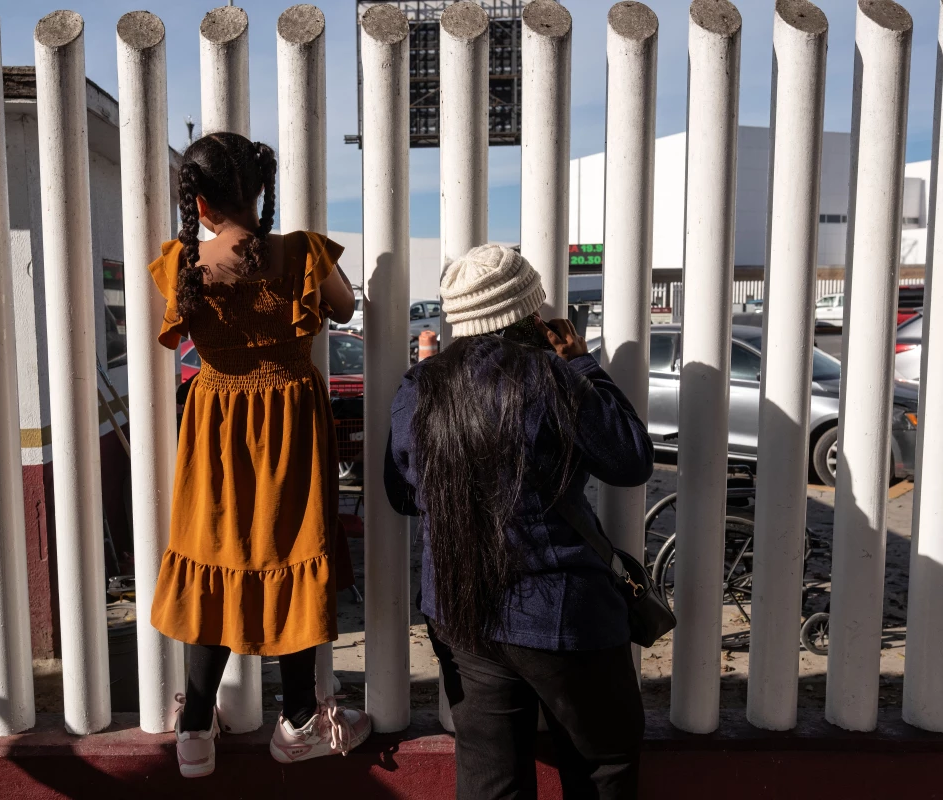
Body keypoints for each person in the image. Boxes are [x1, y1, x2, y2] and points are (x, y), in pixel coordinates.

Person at [384, 244, 654, 799]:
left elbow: (403, 496)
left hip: (463, 616)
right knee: (603, 769)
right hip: (562, 617)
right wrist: (582, 362)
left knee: (490, 780)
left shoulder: (420, 388)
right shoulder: (554, 379)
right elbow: (631, 461)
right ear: (532, 313)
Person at [147, 132, 370, 778]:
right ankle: (298, 719)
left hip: (215, 432)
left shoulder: (181, 265)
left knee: (216, 557)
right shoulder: (300, 254)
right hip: (292, 430)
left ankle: (194, 731)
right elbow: (346, 304)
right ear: (259, 189)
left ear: (201, 202)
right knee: (292, 549)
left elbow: (173, 330)